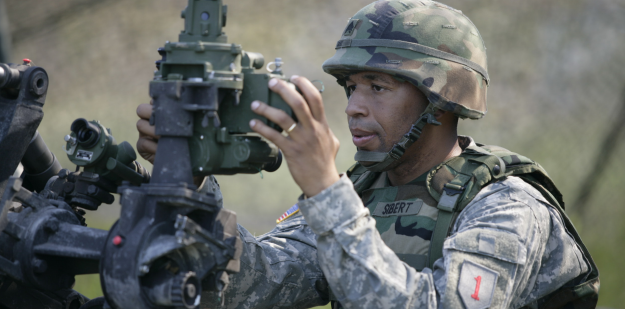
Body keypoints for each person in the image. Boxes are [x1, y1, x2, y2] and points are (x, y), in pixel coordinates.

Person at [136, 1, 598, 308]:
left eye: (378, 88)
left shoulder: (507, 204)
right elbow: (256, 281)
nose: (354, 106)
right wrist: (189, 181)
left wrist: (324, 188)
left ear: (442, 101)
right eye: (352, 88)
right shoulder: (359, 193)